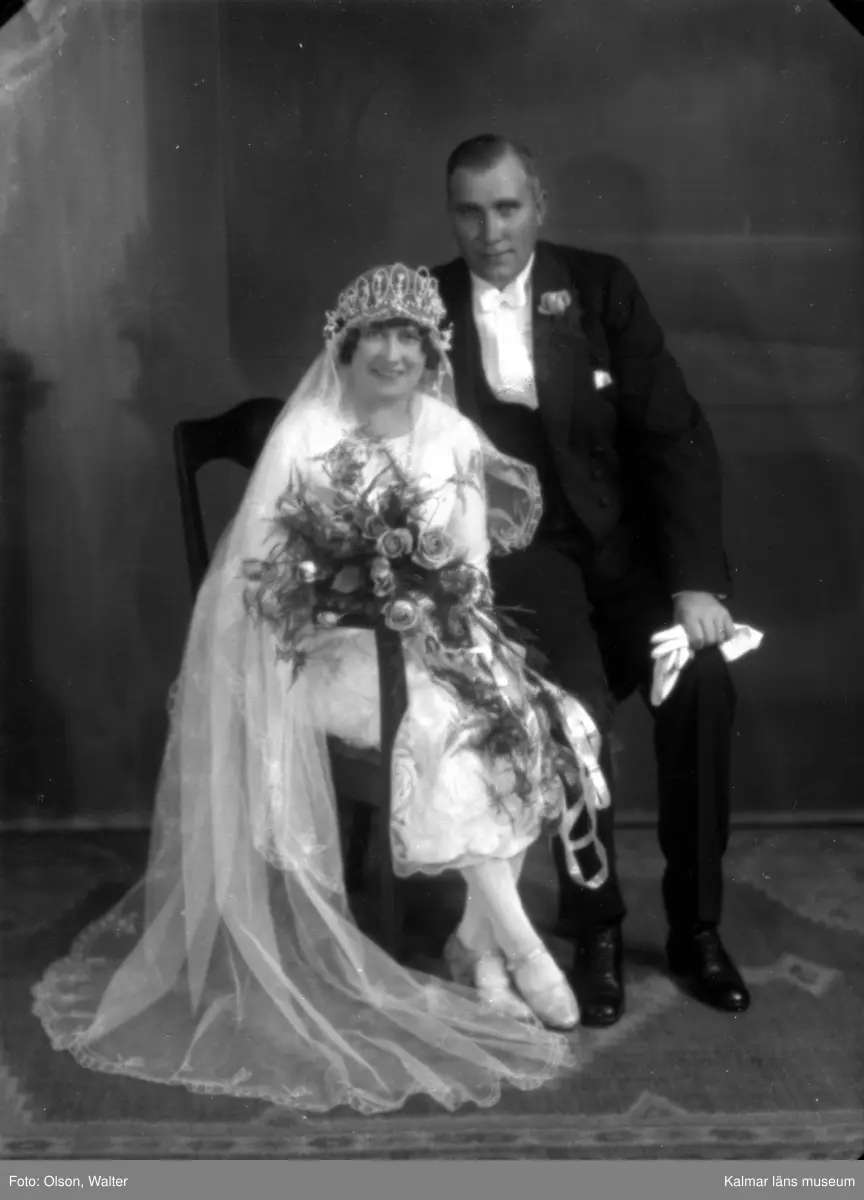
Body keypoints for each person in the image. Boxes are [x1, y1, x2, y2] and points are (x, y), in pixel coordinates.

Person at [31, 263, 613, 1116]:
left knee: (518, 721)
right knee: (444, 729)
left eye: (410, 338)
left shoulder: (452, 434)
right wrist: (358, 599)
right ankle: (520, 949)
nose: (393, 354)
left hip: (433, 644)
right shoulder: (308, 434)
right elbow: (263, 583)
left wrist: (441, 623)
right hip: (329, 659)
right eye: (375, 336)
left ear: (432, 352)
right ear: (345, 347)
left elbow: (472, 571)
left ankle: (476, 947)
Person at [433, 134, 751, 1028]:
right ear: (450, 215)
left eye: (507, 207)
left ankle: (696, 929)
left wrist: (695, 584)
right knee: (574, 712)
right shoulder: (428, 303)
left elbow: (674, 434)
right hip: (520, 559)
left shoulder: (602, 287)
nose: (491, 231)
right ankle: (595, 930)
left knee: (704, 683)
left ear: (539, 205)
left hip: (626, 554)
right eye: (469, 212)